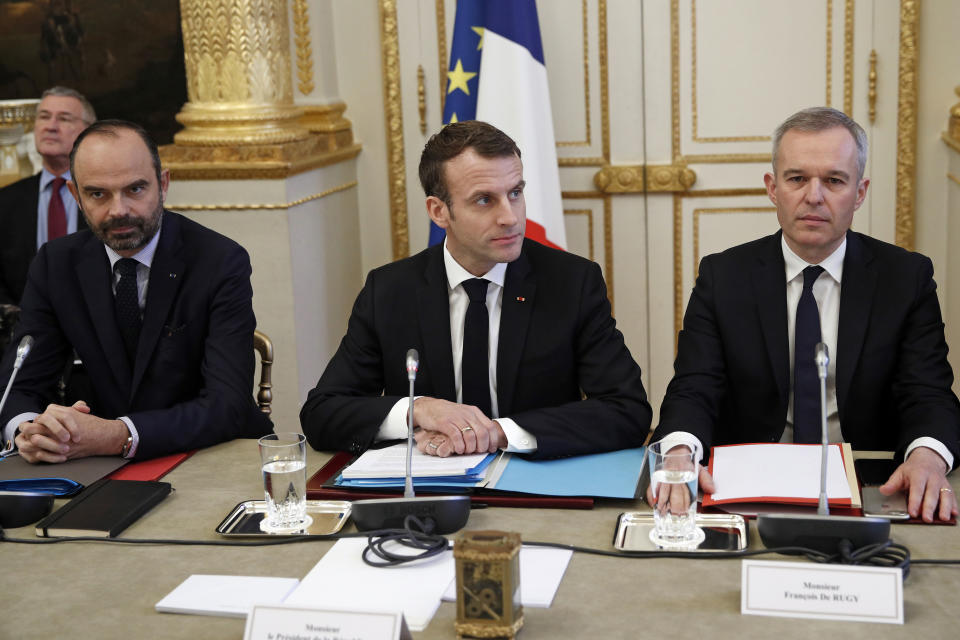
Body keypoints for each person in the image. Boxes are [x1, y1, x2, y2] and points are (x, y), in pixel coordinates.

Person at [652, 107, 960, 522]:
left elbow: (927, 391)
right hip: (750, 485)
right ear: (773, 187)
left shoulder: (905, 278)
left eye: (834, 180)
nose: (814, 196)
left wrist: (927, 455)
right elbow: (694, 386)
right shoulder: (723, 276)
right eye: (797, 179)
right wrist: (678, 452)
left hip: (869, 485)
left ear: (861, 191)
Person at [300, 120, 650, 459]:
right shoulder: (390, 290)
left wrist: (498, 433)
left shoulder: (572, 283)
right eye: (484, 200)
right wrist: (418, 410)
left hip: (534, 494)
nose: (510, 217)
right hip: (428, 493)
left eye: (515, 193)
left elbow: (627, 410)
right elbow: (322, 413)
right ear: (439, 211)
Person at [0, 119, 272, 463]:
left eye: (135, 189)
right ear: (76, 196)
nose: (119, 210)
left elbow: (226, 404)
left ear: (163, 184)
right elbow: (18, 385)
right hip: (96, 466)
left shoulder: (218, 261)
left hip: (210, 454)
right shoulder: (56, 265)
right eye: (98, 194)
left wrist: (119, 434)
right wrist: (29, 431)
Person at [0, 86, 95, 306]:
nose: (51, 126)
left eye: (64, 118)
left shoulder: (109, 197)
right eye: (44, 117)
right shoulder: (5, 201)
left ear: (87, 132)